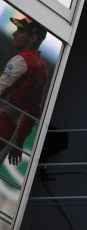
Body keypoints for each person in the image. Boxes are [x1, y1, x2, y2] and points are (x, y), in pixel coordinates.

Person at [0, 16, 48, 165]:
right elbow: (33, 111)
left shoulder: (22, 60)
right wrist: (19, 141)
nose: (15, 33)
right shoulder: (42, 69)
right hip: (7, 131)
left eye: (21, 31)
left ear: (32, 38)